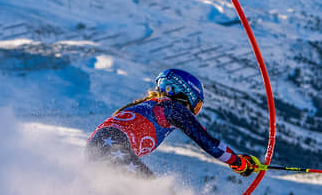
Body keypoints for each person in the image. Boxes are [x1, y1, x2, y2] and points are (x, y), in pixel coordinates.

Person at [86, 68, 261, 178]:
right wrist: (238, 162)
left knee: (129, 191)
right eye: (196, 106)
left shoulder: (150, 105)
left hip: (98, 147)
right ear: (186, 94)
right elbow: (209, 143)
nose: (194, 112)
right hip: (113, 146)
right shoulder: (173, 108)